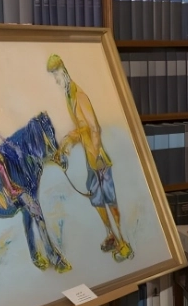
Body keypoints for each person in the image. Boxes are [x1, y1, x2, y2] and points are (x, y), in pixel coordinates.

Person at [46, 54, 133, 263]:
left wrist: (95, 155)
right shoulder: (69, 95)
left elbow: (94, 127)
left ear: (63, 71)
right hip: (90, 156)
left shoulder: (80, 96)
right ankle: (111, 235)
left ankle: (124, 244)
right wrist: (70, 140)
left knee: (109, 199)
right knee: (96, 198)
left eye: (56, 76)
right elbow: (83, 127)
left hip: (98, 158)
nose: (56, 80)